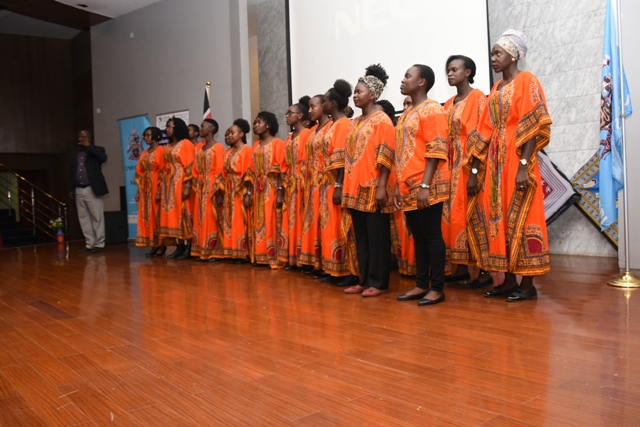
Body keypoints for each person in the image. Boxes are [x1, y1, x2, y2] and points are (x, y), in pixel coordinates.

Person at [467, 29, 552, 302]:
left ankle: (527, 285)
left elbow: (533, 125)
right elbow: (484, 131)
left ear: (513, 55)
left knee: (523, 218)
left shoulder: (527, 80)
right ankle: (507, 282)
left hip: (517, 158)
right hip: (494, 164)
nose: (493, 58)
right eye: (492, 54)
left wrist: (524, 166)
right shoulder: (495, 89)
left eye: (498, 53)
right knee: (498, 218)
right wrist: (475, 171)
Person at [394, 64, 450, 306]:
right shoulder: (407, 113)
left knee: (432, 235)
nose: (403, 80)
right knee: (418, 237)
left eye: (408, 76)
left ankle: (437, 288)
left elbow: (436, 149)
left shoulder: (432, 109)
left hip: (427, 183)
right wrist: (398, 186)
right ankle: (421, 284)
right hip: (408, 184)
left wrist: (425, 186)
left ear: (422, 82)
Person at [341, 64, 397, 297]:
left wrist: (382, 186)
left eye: (359, 92)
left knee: (377, 238)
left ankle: (378, 282)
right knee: (362, 239)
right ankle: (363, 279)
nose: (355, 95)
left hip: (374, 188)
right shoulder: (355, 122)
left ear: (372, 95)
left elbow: (386, 155)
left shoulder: (382, 120)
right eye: (354, 92)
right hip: (355, 187)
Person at [442, 55, 493, 289]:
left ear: (468, 72)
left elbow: (481, 136)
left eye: (455, 69)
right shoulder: (448, 103)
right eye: (448, 70)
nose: (450, 73)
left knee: (476, 216)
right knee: (455, 216)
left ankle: (485, 271)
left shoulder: (478, 97)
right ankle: (460, 268)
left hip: (470, 166)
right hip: (451, 168)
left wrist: (474, 171)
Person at [319, 80, 357, 285]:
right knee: (330, 226)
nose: (322, 104)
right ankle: (332, 267)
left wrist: (338, 186)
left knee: (341, 226)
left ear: (333, 104)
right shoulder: (332, 125)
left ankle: (347, 271)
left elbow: (341, 159)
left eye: (324, 101)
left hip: (337, 184)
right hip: (328, 183)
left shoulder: (343, 124)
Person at [246, 112, 286, 268]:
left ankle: (272, 256)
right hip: (257, 189)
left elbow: (281, 170)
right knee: (258, 221)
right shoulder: (256, 145)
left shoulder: (278, 143)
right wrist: (249, 192)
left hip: (271, 187)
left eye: (259, 122)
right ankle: (259, 255)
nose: (255, 125)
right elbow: (250, 171)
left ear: (268, 124)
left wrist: (280, 192)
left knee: (271, 220)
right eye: (255, 123)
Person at [298, 95, 332, 275]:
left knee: (327, 224)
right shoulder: (312, 131)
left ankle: (330, 265)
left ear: (324, 106)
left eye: (313, 107)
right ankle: (318, 262)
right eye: (309, 107)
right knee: (315, 223)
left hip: (327, 183)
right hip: (312, 185)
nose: (309, 111)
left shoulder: (332, 127)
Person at [279, 97, 312, 269]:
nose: (287, 116)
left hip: (304, 182)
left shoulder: (308, 134)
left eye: (290, 113)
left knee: (302, 219)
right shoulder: (289, 137)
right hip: (291, 184)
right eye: (286, 113)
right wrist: (281, 187)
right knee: (291, 219)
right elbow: (284, 164)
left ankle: (304, 258)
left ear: (300, 116)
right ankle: (292, 257)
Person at [156, 117, 195, 259]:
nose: (167, 129)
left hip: (181, 182)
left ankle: (188, 247)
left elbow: (190, 165)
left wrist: (187, 186)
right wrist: (160, 188)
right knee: (173, 215)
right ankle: (179, 246)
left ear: (177, 127)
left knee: (183, 213)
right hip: (168, 185)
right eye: (166, 127)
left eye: (170, 127)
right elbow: (163, 168)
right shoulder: (168, 146)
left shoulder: (186, 143)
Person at [68, 129, 108, 253]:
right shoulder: (74, 154)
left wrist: (88, 146)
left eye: (84, 136)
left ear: (89, 138)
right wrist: (71, 188)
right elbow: (71, 172)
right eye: (80, 137)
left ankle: (99, 244)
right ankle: (89, 244)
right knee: (83, 218)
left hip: (92, 188)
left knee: (97, 217)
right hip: (78, 189)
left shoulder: (97, 150)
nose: (82, 139)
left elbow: (103, 158)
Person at [191, 119, 225, 262]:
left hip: (212, 186)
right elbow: (195, 169)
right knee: (200, 217)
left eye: (202, 126)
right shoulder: (200, 148)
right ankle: (201, 249)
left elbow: (220, 170)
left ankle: (214, 251)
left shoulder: (218, 147)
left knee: (211, 217)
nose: (200, 129)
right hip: (200, 186)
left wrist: (218, 190)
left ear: (211, 129)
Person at [135, 127, 166, 256]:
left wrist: (159, 191)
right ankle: (153, 244)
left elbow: (164, 172)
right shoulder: (144, 153)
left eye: (148, 135)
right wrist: (138, 191)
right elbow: (139, 172)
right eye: (145, 135)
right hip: (145, 188)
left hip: (156, 186)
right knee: (148, 215)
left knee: (157, 215)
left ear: (156, 136)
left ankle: (161, 245)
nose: (145, 138)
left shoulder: (161, 151)